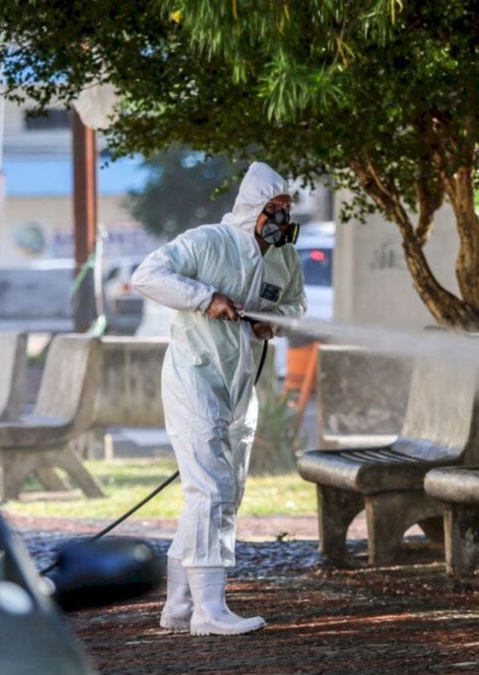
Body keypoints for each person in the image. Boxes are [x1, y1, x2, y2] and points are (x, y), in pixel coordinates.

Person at [132, 162, 306, 636]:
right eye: (276, 210)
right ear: (254, 208)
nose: (283, 220)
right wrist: (205, 297)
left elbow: (295, 304)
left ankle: (180, 606)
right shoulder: (208, 241)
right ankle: (211, 611)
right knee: (209, 489)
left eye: (287, 211)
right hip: (194, 376)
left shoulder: (282, 258)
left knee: (224, 493)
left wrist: (278, 320)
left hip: (241, 384)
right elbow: (147, 274)